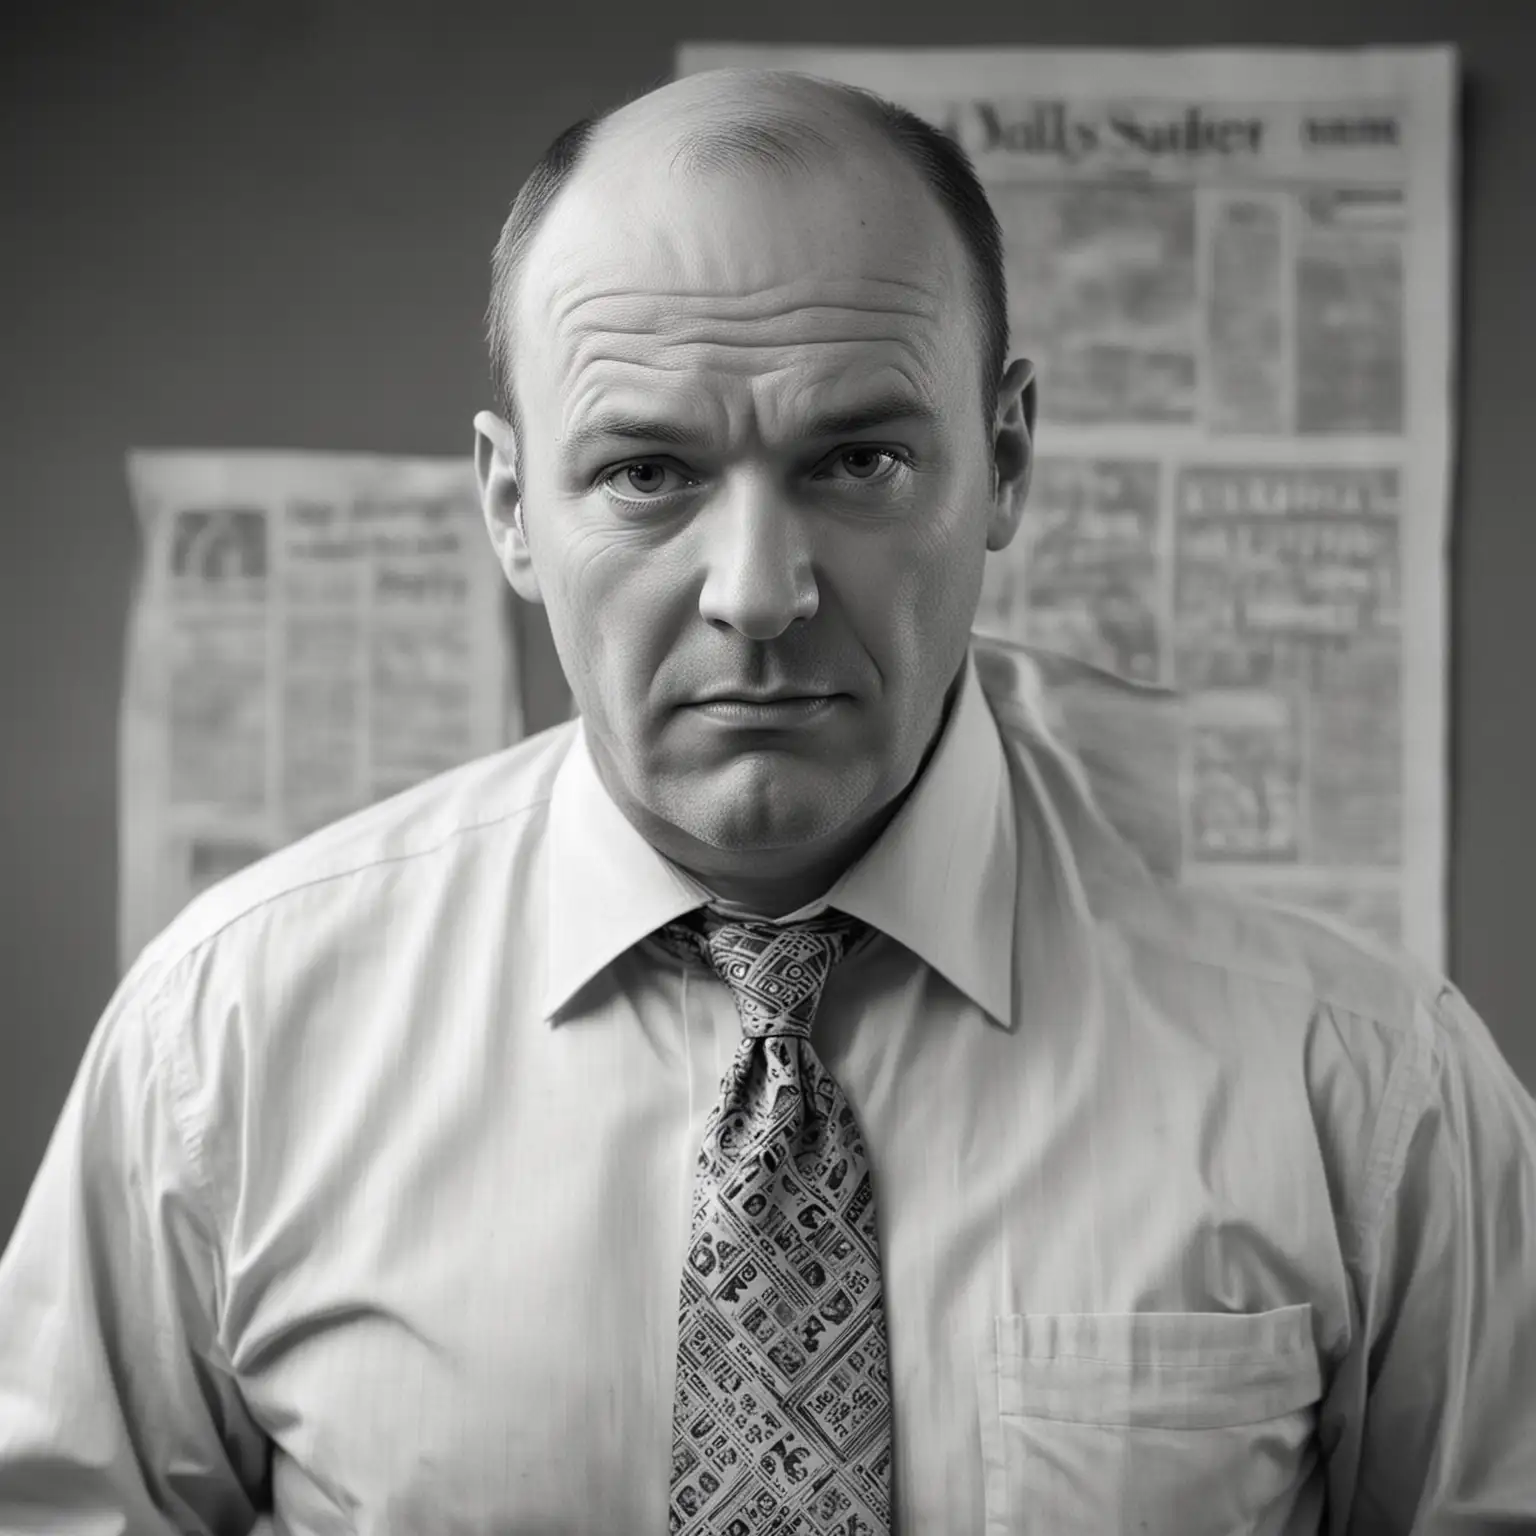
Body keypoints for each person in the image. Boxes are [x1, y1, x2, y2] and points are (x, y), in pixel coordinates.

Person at [1, 66, 1533, 1536]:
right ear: (508, 504)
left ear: (1002, 462)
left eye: (858, 458)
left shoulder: (1365, 1094)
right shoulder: (232, 1045)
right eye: (647, 473)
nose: (761, 593)